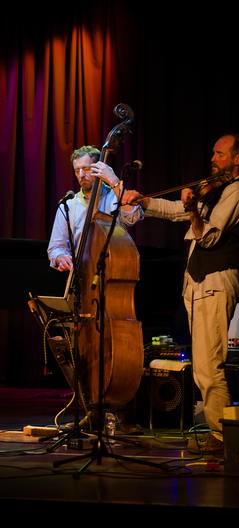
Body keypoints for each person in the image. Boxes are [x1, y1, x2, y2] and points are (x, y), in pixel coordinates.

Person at [122, 133, 239, 453]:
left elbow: (208, 236)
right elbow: (175, 211)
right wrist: (144, 202)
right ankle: (219, 434)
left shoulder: (237, 192)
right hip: (197, 285)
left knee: (210, 367)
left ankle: (222, 437)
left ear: (237, 159)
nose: (213, 158)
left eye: (220, 154)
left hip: (216, 282)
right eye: (213, 152)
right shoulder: (215, 192)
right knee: (203, 367)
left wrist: (194, 211)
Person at [48, 145, 144, 435]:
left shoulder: (112, 198)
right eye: (77, 170)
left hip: (112, 281)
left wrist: (117, 185)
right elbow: (55, 246)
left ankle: (127, 412)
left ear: (98, 168)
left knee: (119, 347)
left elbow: (134, 216)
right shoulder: (68, 206)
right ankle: (93, 411)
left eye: (87, 168)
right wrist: (60, 257)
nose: (82, 175)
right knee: (82, 349)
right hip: (82, 285)